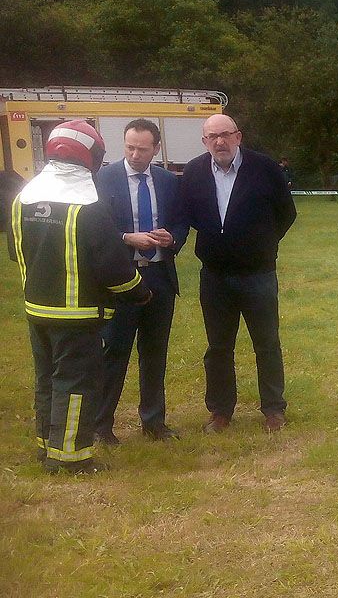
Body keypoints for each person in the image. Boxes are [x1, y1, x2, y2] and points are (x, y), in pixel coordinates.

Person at [8, 120, 152, 473]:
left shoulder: (24, 197)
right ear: (91, 155)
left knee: (47, 379)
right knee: (76, 383)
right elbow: (113, 269)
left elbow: (16, 253)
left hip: (36, 311)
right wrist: (140, 292)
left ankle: (47, 446)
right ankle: (71, 458)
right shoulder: (89, 205)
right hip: (77, 316)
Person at [178, 114, 297, 433]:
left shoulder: (265, 168)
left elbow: (287, 213)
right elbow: (186, 215)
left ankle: (273, 410)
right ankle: (220, 412)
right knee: (218, 347)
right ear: (204, 142)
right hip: (215, 277)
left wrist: (262, 243)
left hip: (258, 275)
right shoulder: (194, 172)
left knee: (267, 343)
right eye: (212, 137)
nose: (220, 142)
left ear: (238, 136)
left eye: (226, 135)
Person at [94, 119, 188, 444]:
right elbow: (94, 227)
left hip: (160, 278)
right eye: (129, 147)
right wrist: (125, 237)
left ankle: (154, 422)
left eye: (142, 149)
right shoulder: (103, 179)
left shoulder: (167, 181)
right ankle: (101, 426)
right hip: (121, 280)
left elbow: (181, 221)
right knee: (114, 353)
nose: (135, 154)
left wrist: (172, 237)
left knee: (155, 353)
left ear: (156, 149)